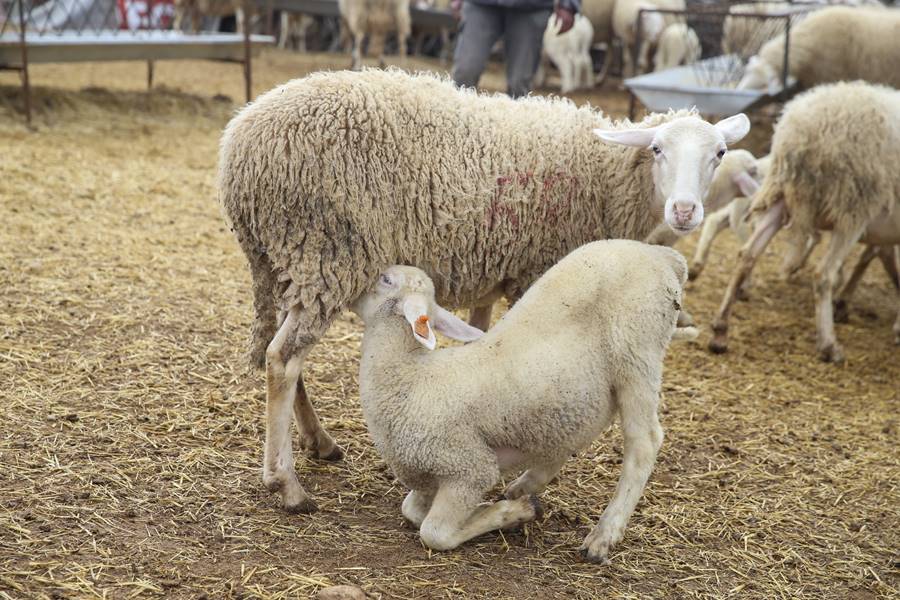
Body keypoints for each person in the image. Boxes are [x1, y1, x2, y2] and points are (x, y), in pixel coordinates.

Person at [450, 0, 580, 98]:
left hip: (531, 7)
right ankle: (453, 126)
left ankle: (515, 132)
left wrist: (569, 4)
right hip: (480, 5)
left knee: (520, 83)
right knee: (465, 70)